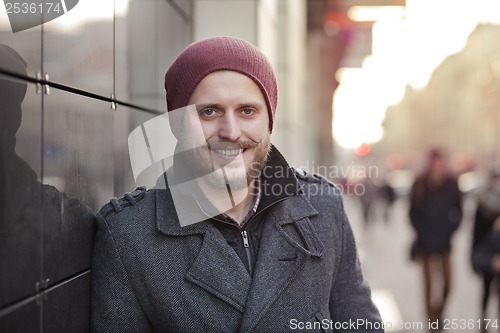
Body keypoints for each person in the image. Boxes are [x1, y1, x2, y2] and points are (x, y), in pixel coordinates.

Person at [90, 36, 382, 332]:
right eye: (209, 111)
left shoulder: (324, 208)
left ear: (269, 122)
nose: (230, 131)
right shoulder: (128, 236)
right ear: (177, 124)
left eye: (247, 111)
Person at [409, 149, 462, 330]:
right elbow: (412, 214)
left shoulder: (452, 183)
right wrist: (421, 232)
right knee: (429, 286)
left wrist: (450, 230)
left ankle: (438, 313)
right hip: (425, 243)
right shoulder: (420, 184)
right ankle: (431, 323)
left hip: (445, 242)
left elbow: (459, 211)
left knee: (448, 284)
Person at [471, 171, 500, 329]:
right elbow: (476, 236)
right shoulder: (483, 204)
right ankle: (484, 323)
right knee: (486, 292)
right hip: (487, 257)